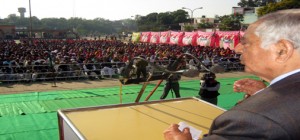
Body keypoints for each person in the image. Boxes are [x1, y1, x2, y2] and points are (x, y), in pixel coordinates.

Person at [163, 9, 300, 140]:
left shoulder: (253, 120)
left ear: (282, 50)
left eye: (246, 43)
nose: (237, 48)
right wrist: (264, 93)